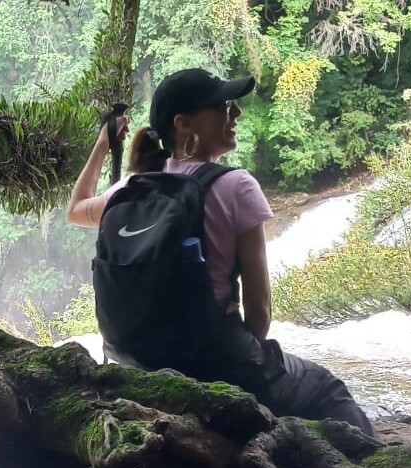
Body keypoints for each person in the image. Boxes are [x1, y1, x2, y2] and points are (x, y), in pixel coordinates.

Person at [67, 68, 376, 437]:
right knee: (327, 390)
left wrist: (103, 143)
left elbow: (76, 209)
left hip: (136, 360)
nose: (235, 113)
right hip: (216, 358)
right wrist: (247, 374)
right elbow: (259, 311)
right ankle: (372, 465)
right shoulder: (236, 185)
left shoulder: (128, 188)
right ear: (184, 124)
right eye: (222, 106)